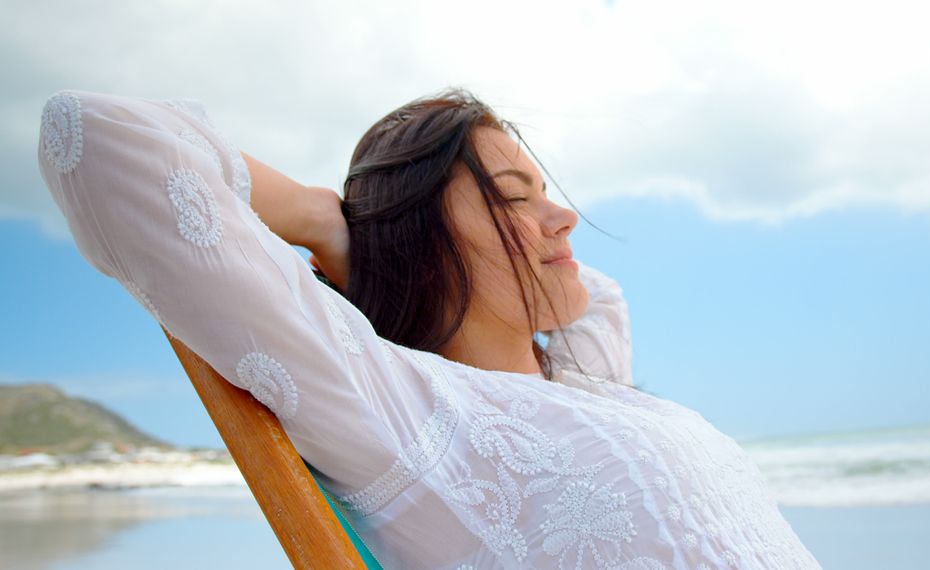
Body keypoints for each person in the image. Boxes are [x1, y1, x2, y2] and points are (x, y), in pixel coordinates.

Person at [37, 89, 822, 569]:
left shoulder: (584, 382)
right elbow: (98, 137)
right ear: (420, 240)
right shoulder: (404, 412)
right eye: (512, 196)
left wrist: (432, 249)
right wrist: (331, 224)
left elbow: (601, 296)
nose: (563, 216)